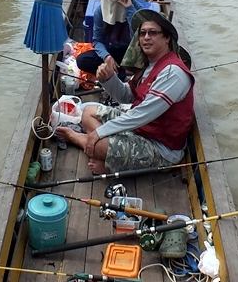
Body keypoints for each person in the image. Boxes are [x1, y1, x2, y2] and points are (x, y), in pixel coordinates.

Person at [56, 9, 194, 174]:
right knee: (88, 112)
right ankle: (102, 153)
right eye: (142, 33)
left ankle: (80, 140)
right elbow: (126, 96)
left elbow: (141, 115)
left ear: (167, 38)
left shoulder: (173, 73)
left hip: (161, 146)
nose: (146, 37)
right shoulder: (149, 65)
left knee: (98, 142)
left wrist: (99, 133)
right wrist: (108, 78)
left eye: (153, 33)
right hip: (140, 128)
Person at [77, 0, 152, 76]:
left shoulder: (135, 7)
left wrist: (129, 8)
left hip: (134, 51)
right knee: (82, 60)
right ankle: (121, 72)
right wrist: (106, 56)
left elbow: (140, 34)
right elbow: (97, 40)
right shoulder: (100, 10)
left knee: (149, 61)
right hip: (112, 50)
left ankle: (121, 73)